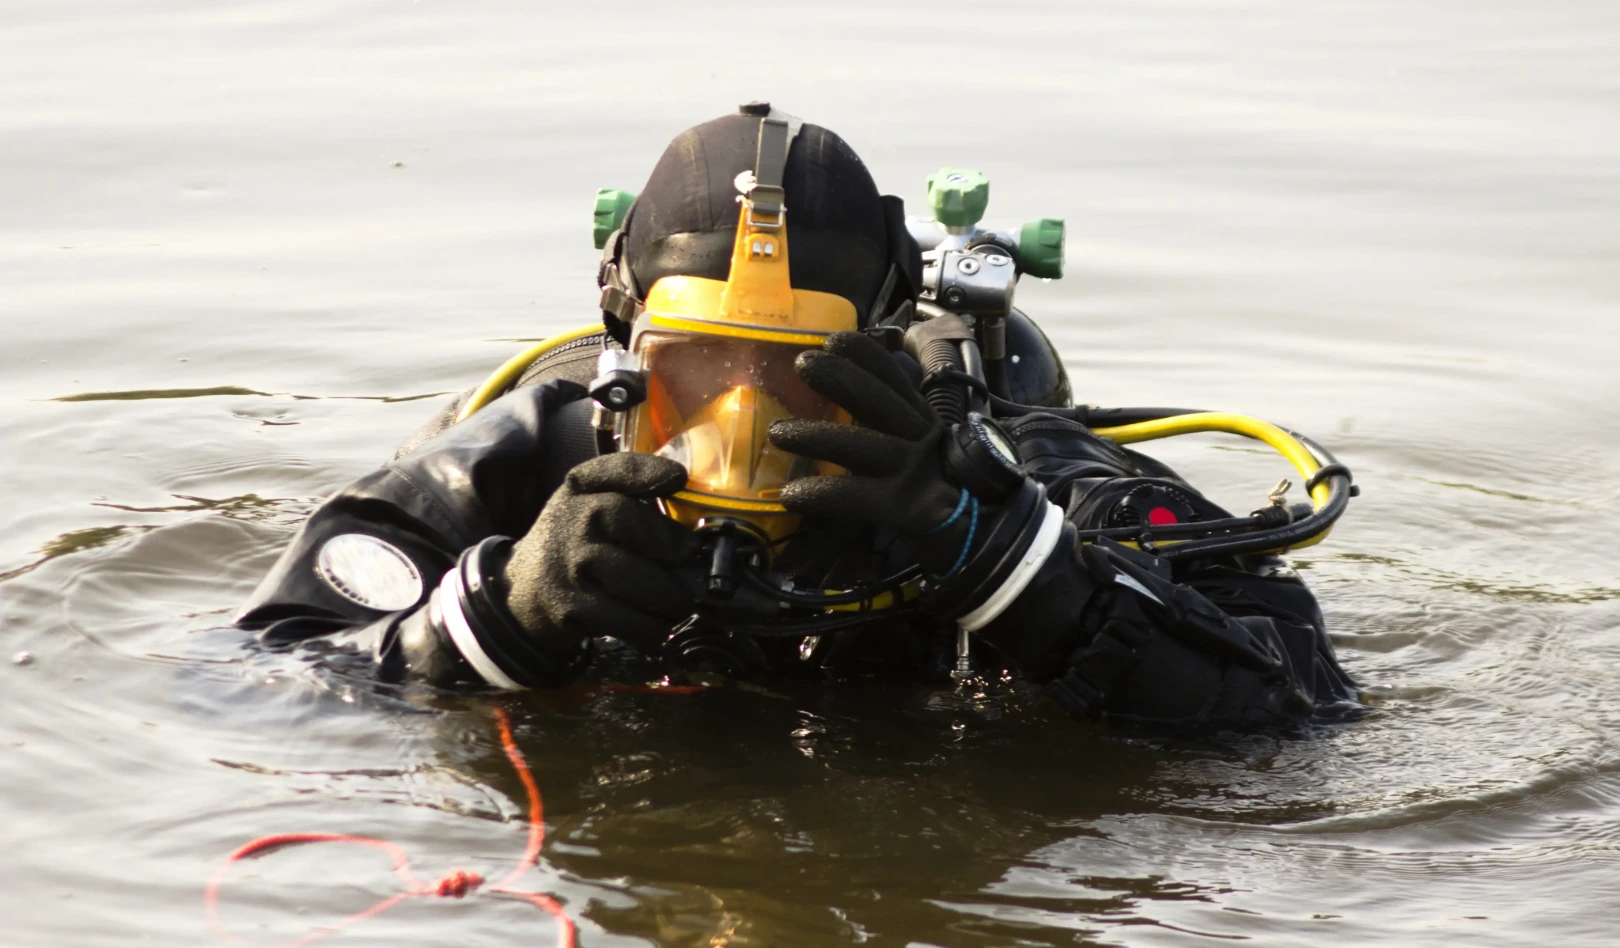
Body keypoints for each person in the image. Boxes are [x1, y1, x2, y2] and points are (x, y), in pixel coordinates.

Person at [239, 104, 1357, 726]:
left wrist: (1010, 562)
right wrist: (499, 615)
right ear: (626, 340)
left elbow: (1304, 698)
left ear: (887, 348)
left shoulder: (986, 471)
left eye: (797, 370)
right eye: (701, 365)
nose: (743, 413)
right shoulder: (524, 464)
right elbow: (247, 687)